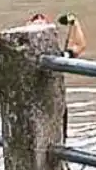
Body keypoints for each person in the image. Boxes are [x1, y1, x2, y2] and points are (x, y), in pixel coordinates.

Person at [27, 12, 87, 141]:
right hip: (33, 104)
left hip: (55, 103)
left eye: (43, 25)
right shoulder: (22, 51)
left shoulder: (56, 55)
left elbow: (79, 46)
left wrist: (75, 24)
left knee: (59, 141)